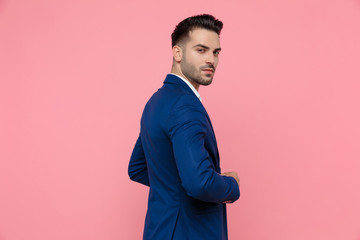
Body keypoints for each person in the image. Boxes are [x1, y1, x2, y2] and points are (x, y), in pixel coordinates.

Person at [128, 14, 240, 240]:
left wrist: (177, 187)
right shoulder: (185, 106)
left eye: (216, 52)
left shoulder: (156, 101)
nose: (211, 59)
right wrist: (231, 185)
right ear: (177, 53)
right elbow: (199, 183)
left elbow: (137, 168)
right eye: (201, 50)